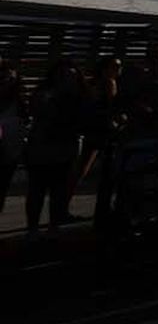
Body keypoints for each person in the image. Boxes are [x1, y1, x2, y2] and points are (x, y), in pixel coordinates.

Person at [25, 60, 86, 236]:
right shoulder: (46, 95)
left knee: (57, 190)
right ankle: (34, 228)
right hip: (43, 148)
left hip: (62, 148)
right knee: (38, 190)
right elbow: (39, 112)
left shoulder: (77, 97)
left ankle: (52, 226)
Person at [76, 56, 123, 230]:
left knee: (82, 167)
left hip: (91, 127)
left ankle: (63, 205)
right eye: (115, 67)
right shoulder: (110, 83)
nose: (118, 70)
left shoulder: (91, 84)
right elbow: (113, 104)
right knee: (107, 171)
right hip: (104, 129)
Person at [0, 61, 26, 217]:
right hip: (8, 150)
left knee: (2, 189)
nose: (6, 81)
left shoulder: (18, 101)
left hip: (9, 151)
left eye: (10, 79)